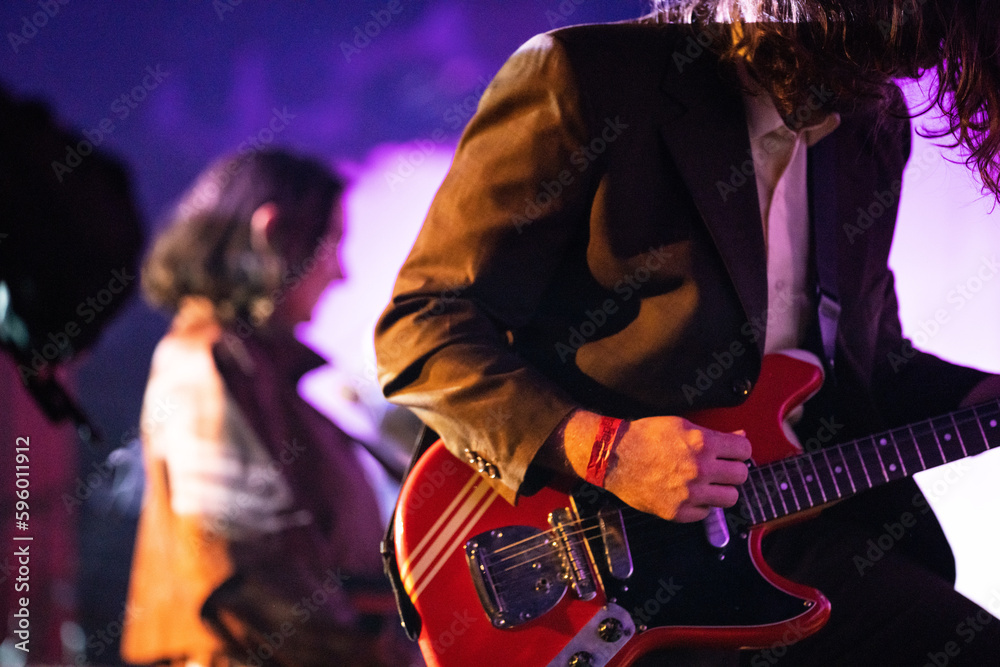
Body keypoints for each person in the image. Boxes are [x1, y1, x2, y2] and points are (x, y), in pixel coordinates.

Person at [374, 1, 1000, 664]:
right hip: (601, 568)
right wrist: (604, 450)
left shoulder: (870, 116)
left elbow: (868, 363)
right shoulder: (587, 76)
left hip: (793, 537)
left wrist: (978, 399)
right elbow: (422, 325)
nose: (896, 73)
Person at [122, 149, 419, 666]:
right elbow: (250, 578)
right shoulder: (201, 367)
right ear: (272, 235)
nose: (342, 274)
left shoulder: (250, 376)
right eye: (331, 243)